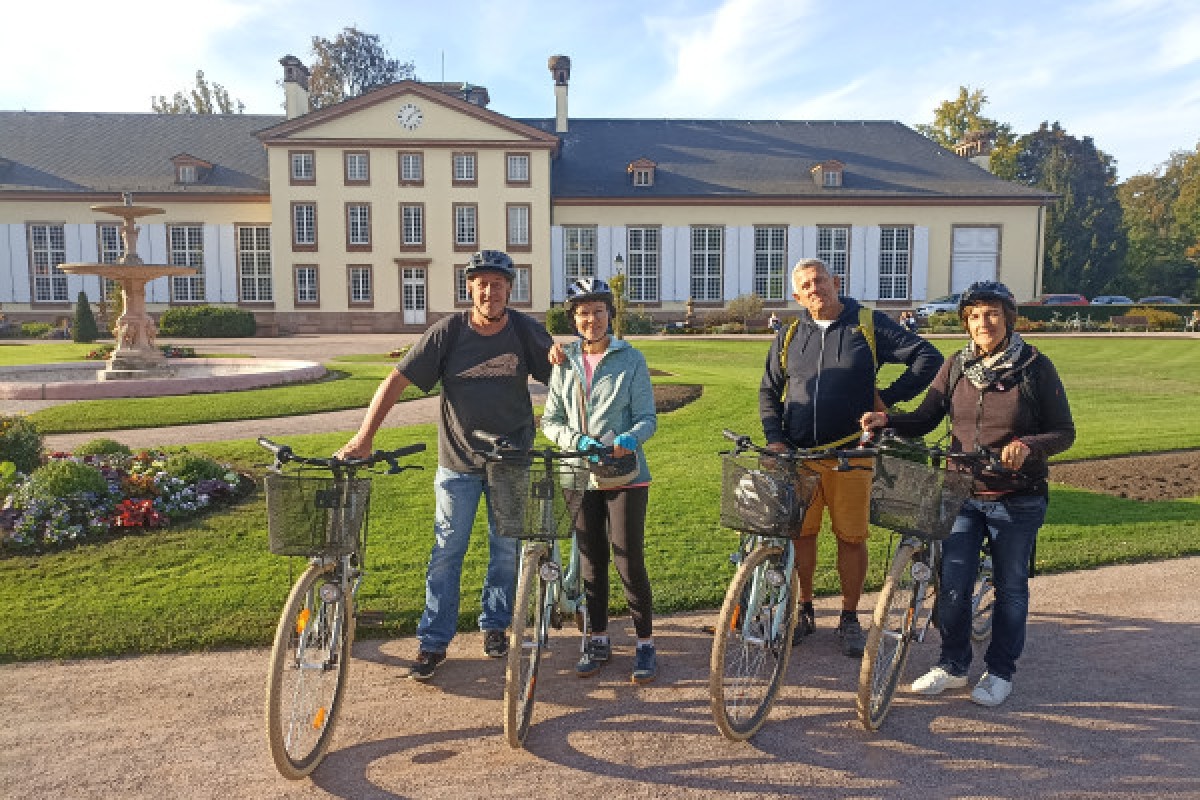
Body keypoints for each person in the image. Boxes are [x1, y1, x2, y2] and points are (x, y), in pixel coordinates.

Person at [336, 250, 554, 681]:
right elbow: (396, 380)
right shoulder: (448, 332)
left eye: (498, 283)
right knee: (446, 554)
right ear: (469, 287)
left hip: (511, 462)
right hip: (458, 464)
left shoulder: (527, 332)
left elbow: (566, 380)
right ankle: (433, 642)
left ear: (510, 289)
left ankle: (495, 626)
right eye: (482, 283)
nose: (490, 291)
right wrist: (365, 437)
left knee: (505, 554)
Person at [860, 280, 1075, 706]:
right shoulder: (957, 365)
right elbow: (925, 418)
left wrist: (1029, 447)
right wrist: (888, 421)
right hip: (959, 490)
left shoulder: (1034, 366)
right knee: (953, 587)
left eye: (992, 313)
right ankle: (954, 665)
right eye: (974, 315)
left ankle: (1000, 671)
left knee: (1011, 589)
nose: (983, 323)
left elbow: (1064, 432)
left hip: (1016, 495)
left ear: (1008, 318)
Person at [759, 258, 942, 657]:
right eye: (806, 285)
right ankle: (805, 609)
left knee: (851, 537)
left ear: (836, 282)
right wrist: (775, 439)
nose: (815, 289)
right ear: (796, 296)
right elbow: (769, 393)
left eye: (820, 281)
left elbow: (928, 358)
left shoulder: (867, 324)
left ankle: (848, 616)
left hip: (851, 452)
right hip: (800, 454)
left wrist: (886, 401)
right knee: (802, 535)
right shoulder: (789, 335)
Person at [541, 278, 660, 683]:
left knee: (628, 559)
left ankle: (644, 643)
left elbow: (648, 417)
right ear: (573, 319)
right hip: (578, 473)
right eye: (582, 313)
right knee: (591, 562)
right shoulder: (564, 361)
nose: (590, 319)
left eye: (597, 311)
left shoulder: (631, 359)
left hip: (625, 474)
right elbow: (551, 420)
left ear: (610, 314)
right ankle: (598, 638)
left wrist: (631, 438)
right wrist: (576, 440)